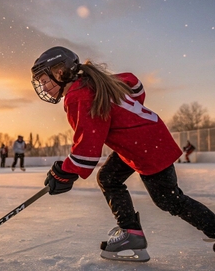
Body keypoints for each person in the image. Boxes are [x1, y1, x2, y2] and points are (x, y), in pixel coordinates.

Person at [30, 46, 215, 262]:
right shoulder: (91, 82)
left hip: (147, 147)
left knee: (169, 200)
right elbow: (134, 84)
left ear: (60, 71)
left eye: (44, 80)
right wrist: (130, 120)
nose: (43, 87)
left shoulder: (78, 95)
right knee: (108, 177)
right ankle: (131, 233)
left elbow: (87, 150)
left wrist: (64, 171)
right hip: (143, 140)